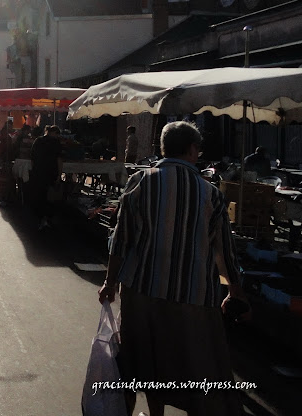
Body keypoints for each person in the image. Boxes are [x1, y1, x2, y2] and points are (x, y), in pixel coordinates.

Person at [99, 121, 247, 416]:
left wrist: (110, 282)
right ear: (192, 150)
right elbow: (225, 253)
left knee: (147, 361)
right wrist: (235, 291)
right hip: (194, 296)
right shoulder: (212, 194)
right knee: (191, 363)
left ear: (163, 148)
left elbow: (122, 238)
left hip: (142, 291)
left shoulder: (141, 181)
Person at [30, 125, 62, 230]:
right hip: (51, 173)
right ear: (54, 133)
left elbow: (32, 158)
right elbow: (59, 160)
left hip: (38, 173)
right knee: (50, 197)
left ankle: (40, 219)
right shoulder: (56, 143)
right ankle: (47, 218)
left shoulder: (38, 141)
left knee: (39, 195)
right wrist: (59, 175)